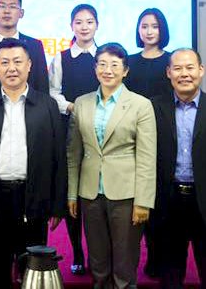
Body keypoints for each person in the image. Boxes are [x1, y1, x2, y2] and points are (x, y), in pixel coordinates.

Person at [0, 39, 67, 288]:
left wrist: (57, 205)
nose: (12, 68)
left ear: (29, 65)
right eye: (5, 62)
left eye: (18, 61)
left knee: (32, 270)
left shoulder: (47, 105)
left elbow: (58, 157)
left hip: (33, 197)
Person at [67, 42, 156, 289]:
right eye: (102, 64)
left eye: (115, 65)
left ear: (125, 70)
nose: (108, 70)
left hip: (126, 194)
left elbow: (147, 157)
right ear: (95, 68)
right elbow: (73, 154)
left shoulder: (140, 104)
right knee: (98, 261)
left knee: (124, 262)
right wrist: (72, 193)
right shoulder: (82, 103)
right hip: (90, 192)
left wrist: (143, 201)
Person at [152, 48, 206, 289]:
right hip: (168, 201)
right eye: (178, 68)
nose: (184, 74)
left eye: (190, 68)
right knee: (170, 274)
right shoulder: (154, 107)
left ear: (201, 71)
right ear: (168, 72)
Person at [48, 3, 100, 274]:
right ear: (71, 26)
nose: (84, 27)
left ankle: (97, 254)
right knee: (73, 190)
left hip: (101, 129)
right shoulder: (61, 58)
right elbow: (53, 92)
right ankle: (78, 253)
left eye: (89, 22)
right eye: (78, 22)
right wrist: (71, 106)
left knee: (95, 192)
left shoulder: (104, 56)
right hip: (70, 126)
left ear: (97, 25)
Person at [124, 7, 172, 278]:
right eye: (144, 26)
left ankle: (158, 257)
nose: (149, 31)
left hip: (163, 136)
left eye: (154, 26)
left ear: (162, 29)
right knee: (135, 198)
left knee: (159, 198)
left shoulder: (171, 61)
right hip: (131, 136)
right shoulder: (129, 62)